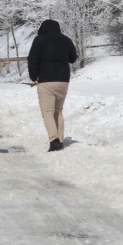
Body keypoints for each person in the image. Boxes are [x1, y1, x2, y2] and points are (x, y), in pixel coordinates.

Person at [27, 19, 78, 152]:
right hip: (63, 80)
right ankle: (60, 140)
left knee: (47, 112)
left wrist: (33, 77)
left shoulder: (39, 40)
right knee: (58, 111)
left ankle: (54, 140)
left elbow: (32, 59)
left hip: (46, 80)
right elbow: (73, 58)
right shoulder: (66, 40)